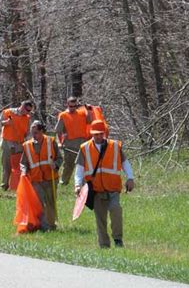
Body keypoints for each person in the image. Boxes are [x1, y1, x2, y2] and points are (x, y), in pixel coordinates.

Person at [74, 120, 135, 248]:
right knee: (100, 219)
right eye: (96, 134)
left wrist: (130, 178)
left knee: (116, 210)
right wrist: (78, 184)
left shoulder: (115, 146)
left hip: (113, 188)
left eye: (101, 133)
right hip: (96, 190)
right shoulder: (84, 148)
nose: (98, 136)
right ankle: (104, 246)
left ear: (105, 133)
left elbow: (125, 163)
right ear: (92, 134)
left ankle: (118, 239)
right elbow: (79, 168)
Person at [20, 121, 63, 231]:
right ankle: (43, 226)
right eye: (32, 133)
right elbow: (23, 162)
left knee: (50, 202)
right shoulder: (26, 145)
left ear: (42, 132)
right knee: (39, 203)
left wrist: (56, 165)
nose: (34, 135)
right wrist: (24, 171)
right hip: (36, 180)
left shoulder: (51, 141)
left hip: (51, 178)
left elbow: (59, 158)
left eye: (36, 132)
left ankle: (51, 225)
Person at [0, 100, 34, 190]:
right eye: (27, 109)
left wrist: (29, 141)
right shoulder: (8, 112)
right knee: (6, 165)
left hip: (19, 144)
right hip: (7, 142)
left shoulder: (27, 118)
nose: (27, 112)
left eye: (29, 111)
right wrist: (5, 123)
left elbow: (28, 132)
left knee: (19, 166)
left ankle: (17, 185)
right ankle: (4, 185)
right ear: (21, 106)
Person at [55, 97, 91, 185]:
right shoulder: (63, 115)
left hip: (82, 142)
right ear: (67, 105)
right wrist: (59, 142)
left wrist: (89, 111)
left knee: (84, 164)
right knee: (68, 165)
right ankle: (64, 182)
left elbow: (89, 121)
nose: (72, 108)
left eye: (74, 106)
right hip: (70, 143)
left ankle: (84, 183)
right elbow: (58, 131)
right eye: (71, 106)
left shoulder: (82, 113)